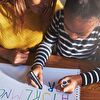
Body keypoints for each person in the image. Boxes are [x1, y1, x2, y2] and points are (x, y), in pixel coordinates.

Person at [28, 0, 100, 93]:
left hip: (86, 68)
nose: (72, 37)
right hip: (59, 63)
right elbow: (47, 44)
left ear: (98, 22)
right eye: (67, 27)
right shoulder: (59, 16)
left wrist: (79, 79)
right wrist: (38, 65)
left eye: (80, 34)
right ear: (64, 12)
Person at [0, 0, 63, 65]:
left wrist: (47, 26)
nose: (46, 3)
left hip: (38, 63)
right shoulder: (2, 8)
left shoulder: (52, 5)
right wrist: (6, 54)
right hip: (5, 64)